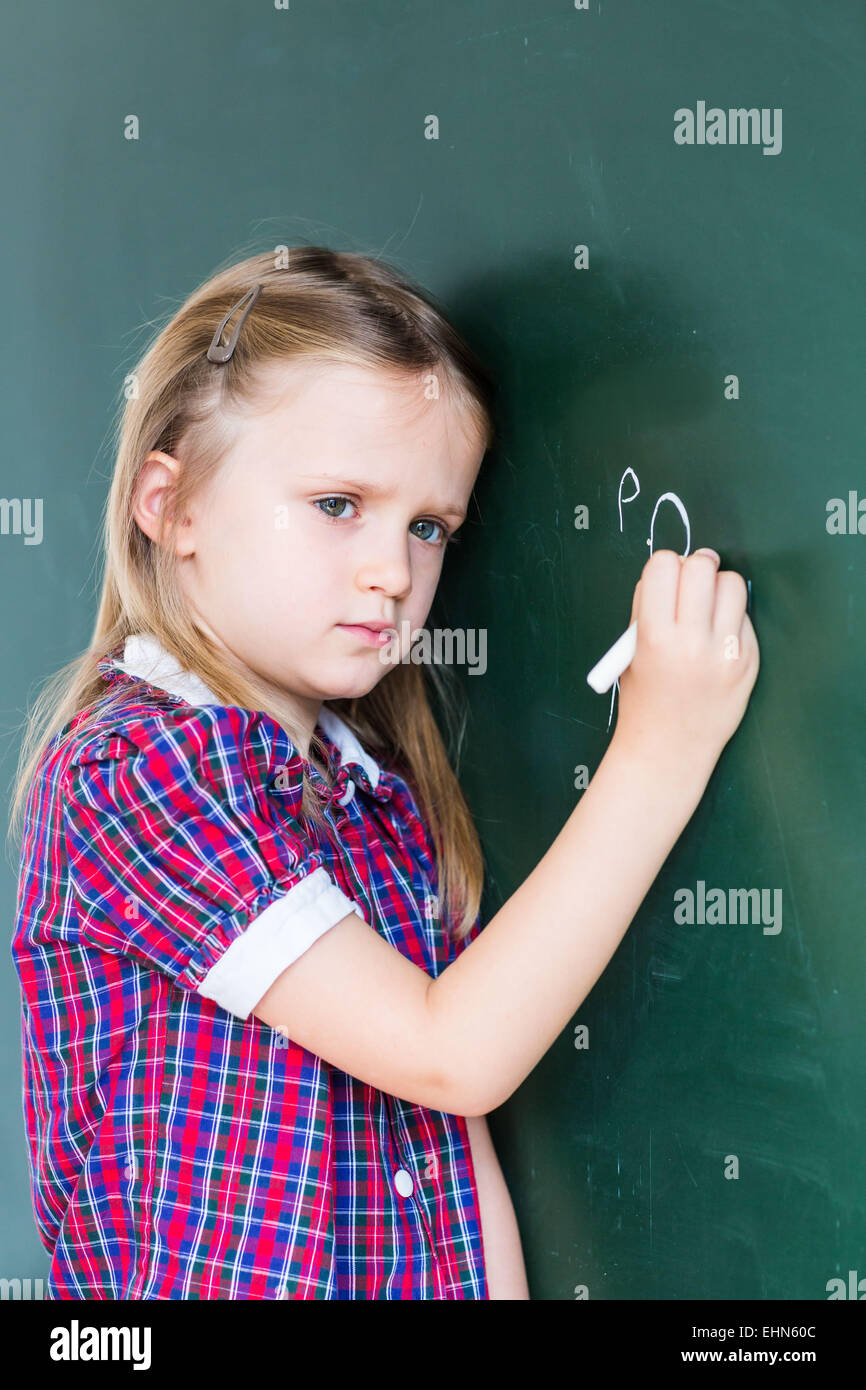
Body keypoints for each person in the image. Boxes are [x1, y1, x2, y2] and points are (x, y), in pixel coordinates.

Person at [9, 246, 759, 1300]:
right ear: (170, 508)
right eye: (336, 504)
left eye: (426, 526)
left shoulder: (375, 793)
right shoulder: (137, 771)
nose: (391, 570)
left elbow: (453, 1144)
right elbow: (449, 1052)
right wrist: (659, 748)